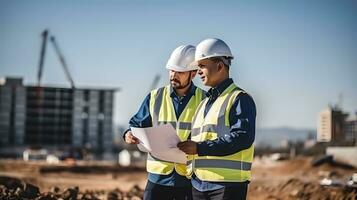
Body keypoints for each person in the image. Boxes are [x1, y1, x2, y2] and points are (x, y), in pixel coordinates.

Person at [123, 44, 206, 200]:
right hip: (158, 177)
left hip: (188, 178)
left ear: (193, 73)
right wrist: (128, 134)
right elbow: (135, 124)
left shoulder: (204, 99)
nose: (174, 75)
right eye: (172, 70)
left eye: (180, 72)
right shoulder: (155, 97)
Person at [177, 38, 256, 200]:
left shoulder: (239, 98)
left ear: (220, 66)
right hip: (199, 183)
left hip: (227, 185)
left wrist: (199, 148)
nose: (198, 71)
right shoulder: (204, 103)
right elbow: (198, 138)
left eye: (202, 66)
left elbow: (242, 137)